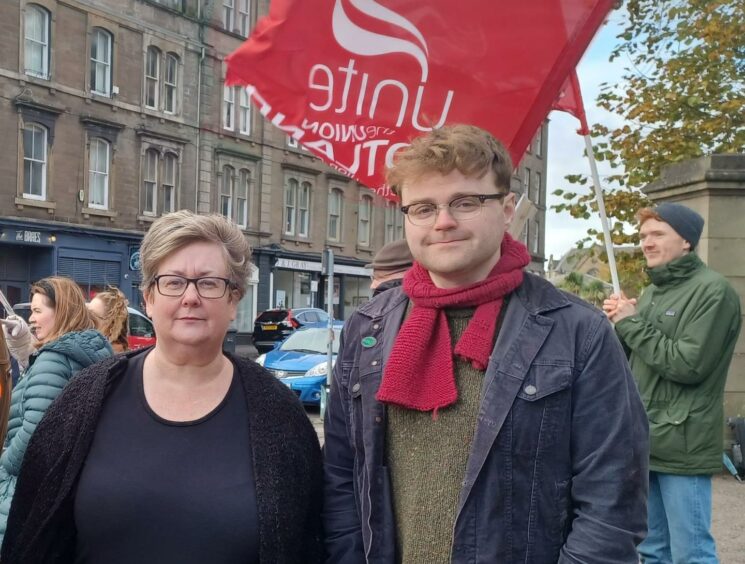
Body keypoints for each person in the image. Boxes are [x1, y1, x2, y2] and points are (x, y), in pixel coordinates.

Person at [323, 124, 649, 563]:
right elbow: (344, 480)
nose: (443, 221)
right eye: (423, 207)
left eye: (466, 202)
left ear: (508, 209)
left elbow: (612, 505)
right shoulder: (367, 329)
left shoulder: (578, 332)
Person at [1, 211, 323, 564]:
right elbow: (32, 528)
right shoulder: (87, 397)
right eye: (173, 281)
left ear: (234, 300)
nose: (190, 297)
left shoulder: (278, 414)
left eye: (209, 282)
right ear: (148, 298)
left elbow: (309, 541)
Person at [603, 203, 741, 564]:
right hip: (646, 437)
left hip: (684, 441)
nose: (646, 242)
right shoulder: (650, 294)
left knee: (691, 552)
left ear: (686, 242)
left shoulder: (714, 292)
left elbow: (687, 364)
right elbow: (636, 360)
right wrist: (616, 326)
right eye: (644, 235)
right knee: (651, 550)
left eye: (658, 234)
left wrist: (632, 324)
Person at [0, 277, 112, 544]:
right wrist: (25, 350)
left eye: (38, 311)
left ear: (61, 311)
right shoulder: (86, 350)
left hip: (24, 488)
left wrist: (3, 465)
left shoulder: (54, 359)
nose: (32, 319)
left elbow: (36, 433)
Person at [88, 287, 130, 353]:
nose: (86, 318)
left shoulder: (113, 358)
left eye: (92, 316)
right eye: (86, 312)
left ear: (112, 324)